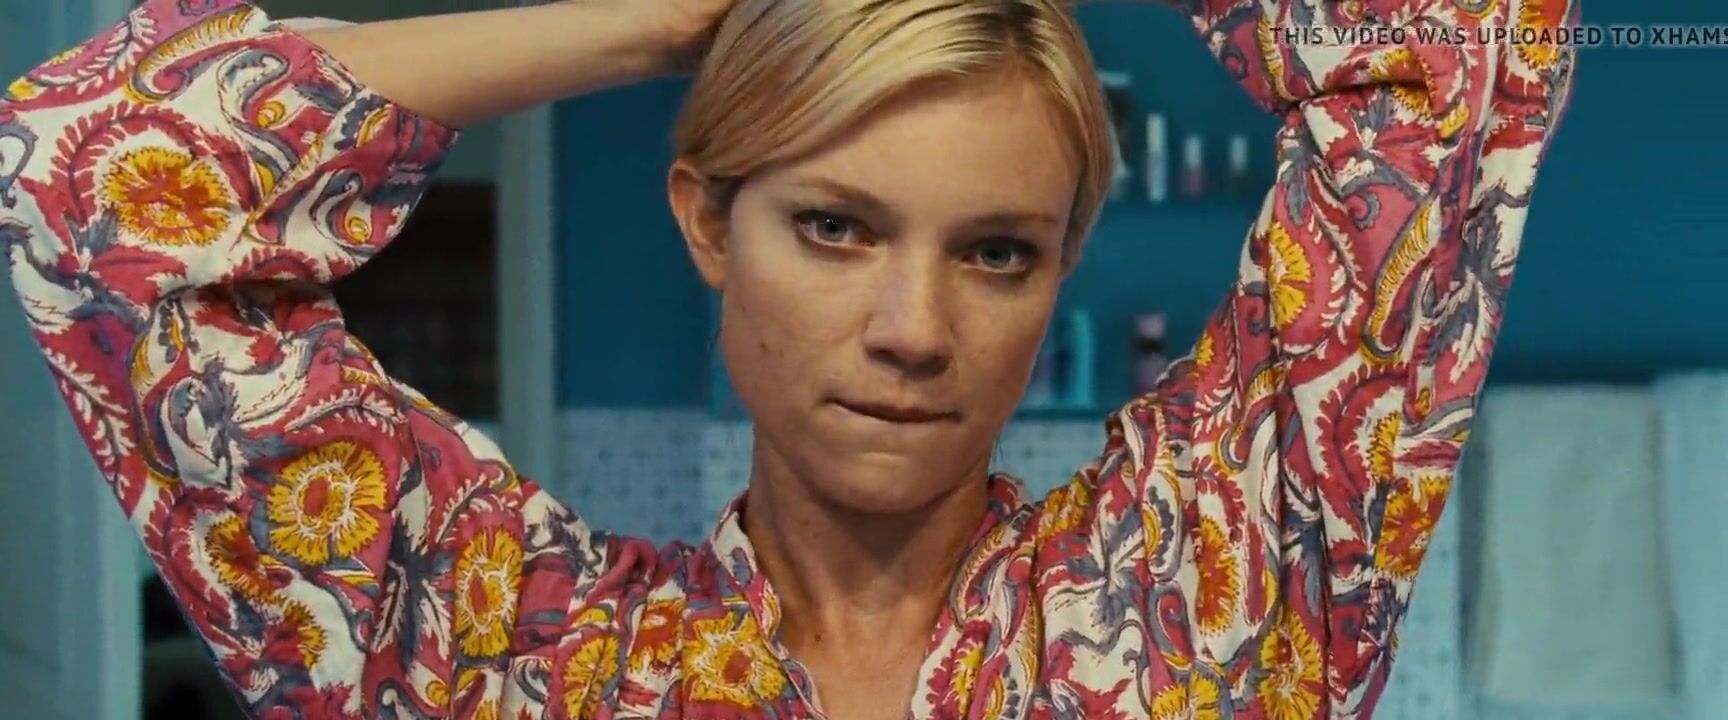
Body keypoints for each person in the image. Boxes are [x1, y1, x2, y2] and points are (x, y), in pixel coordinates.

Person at [0, 0, 1577, 717]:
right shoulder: (499, 653)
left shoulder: (1221, 579)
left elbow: (1452, 61)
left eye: (996, 251)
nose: (913, 329)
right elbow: (90, 179)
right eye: (834, 226)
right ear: (708, 220)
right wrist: (657, 21)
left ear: (1061, 268)